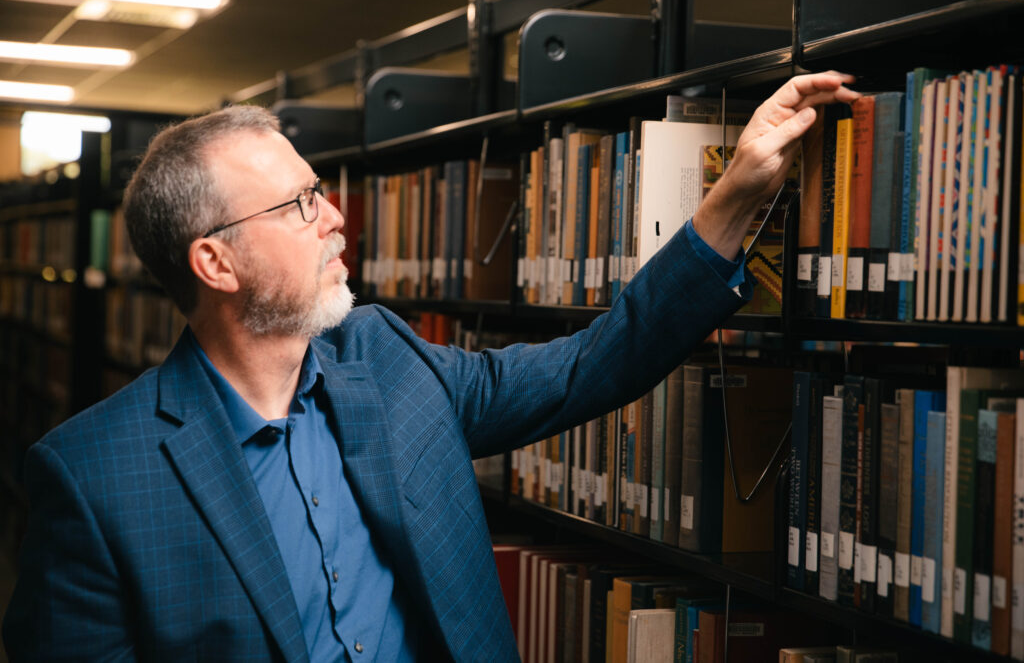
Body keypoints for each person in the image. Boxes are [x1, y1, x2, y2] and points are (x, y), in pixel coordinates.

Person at [3, 72, 858, 662]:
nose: (334, 217)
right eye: (300, 204)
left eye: (321, 190)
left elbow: (592, 365)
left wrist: (738, 192)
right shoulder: (94, 478)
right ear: (215, 264)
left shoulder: (388, 361)